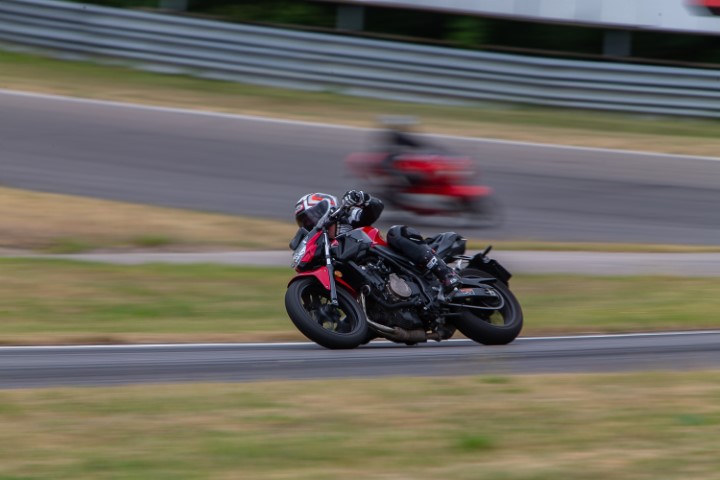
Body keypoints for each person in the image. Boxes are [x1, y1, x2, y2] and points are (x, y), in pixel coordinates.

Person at [293, 190, 461, 294]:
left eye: (313, 215)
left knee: (396, 233)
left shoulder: (346, 218)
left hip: (386, 259)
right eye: (305, 221)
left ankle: (446, 273)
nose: (310, 222)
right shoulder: (324, 246)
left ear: (327, 207)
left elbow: (375, 209)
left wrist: (363, 198)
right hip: (371, 282)